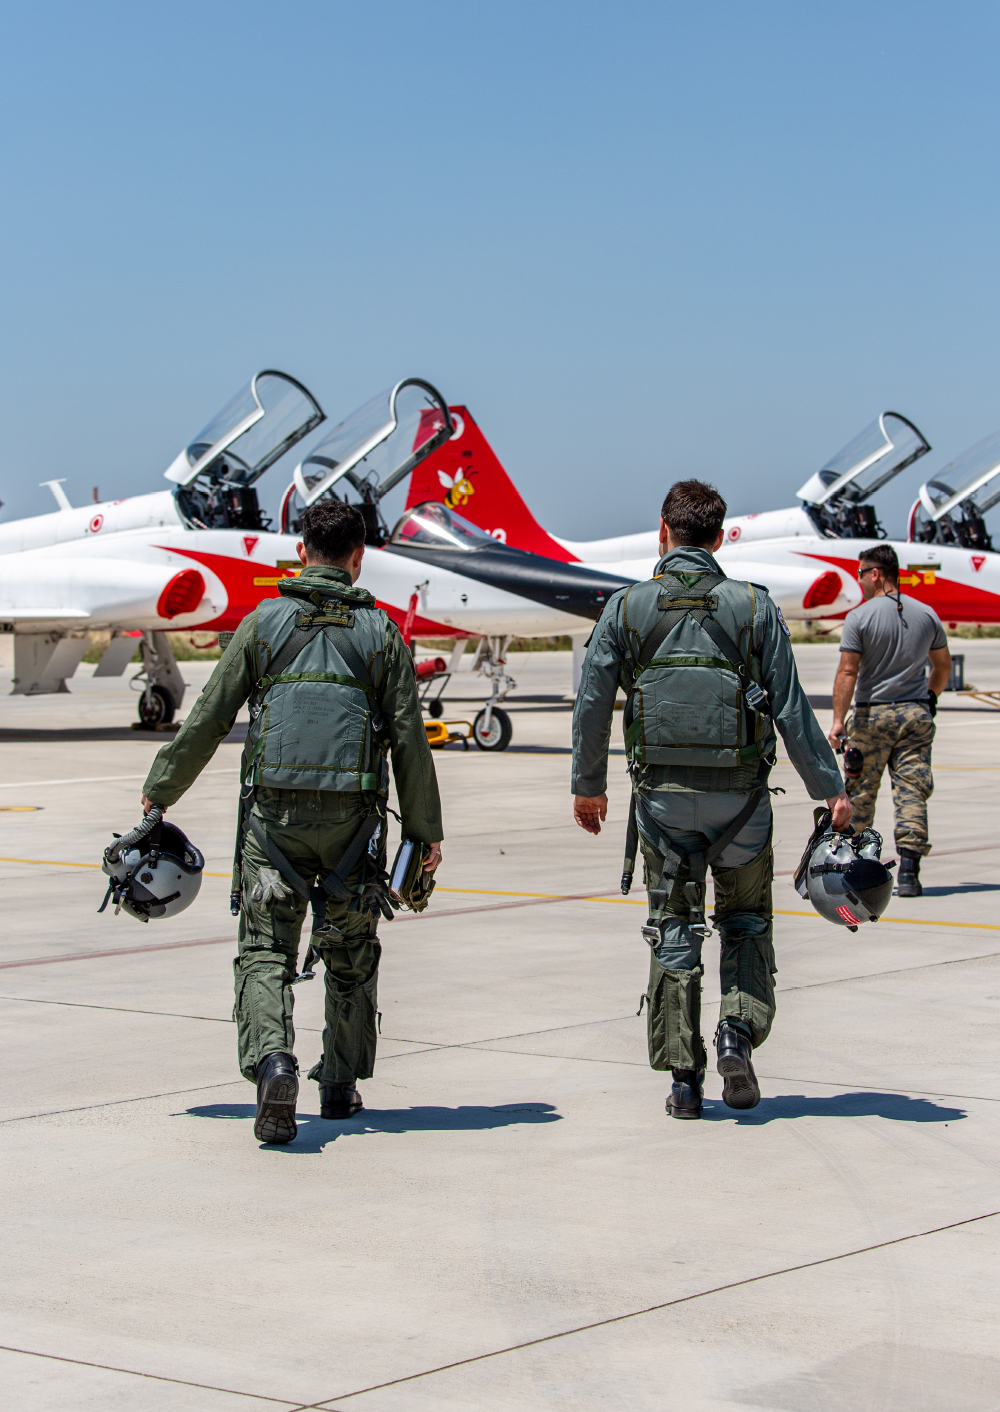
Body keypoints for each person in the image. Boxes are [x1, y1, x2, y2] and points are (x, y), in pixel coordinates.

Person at [140, 499, 443, 1145]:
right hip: (353, 829)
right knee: (350, 953)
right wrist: (425, 833)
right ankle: (338, 1085)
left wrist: (160, 790)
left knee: (265, 949)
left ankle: (274, 1063)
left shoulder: (264, 623)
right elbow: (410, 740)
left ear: (302, 550)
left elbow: (210, 718)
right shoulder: (381, 633)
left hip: (271, 825)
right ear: (358, 557)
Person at [572, 480, 850, 1119]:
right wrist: (831, 792)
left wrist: (589, 788)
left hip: (663, 806)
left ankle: (682, 1081)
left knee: (674, 927)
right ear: (720, 538)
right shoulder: (754, 608)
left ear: (662, 532)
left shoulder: (625, 608)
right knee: (746, 922)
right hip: (743, 806)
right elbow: (791, 710)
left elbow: (592, 703)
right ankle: (736, 1032)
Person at [828, 542, 951, 898]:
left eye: (862, 573)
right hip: (915, 714)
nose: (860, 579)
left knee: (861, 792)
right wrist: (929, 697)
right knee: (912, 790)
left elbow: (848, 671)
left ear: (876, 573)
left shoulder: (860, 617)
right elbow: (942, 666)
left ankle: (855, 868)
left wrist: (838, 721)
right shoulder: (926, 613)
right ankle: (910, 873)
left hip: (873, 715)